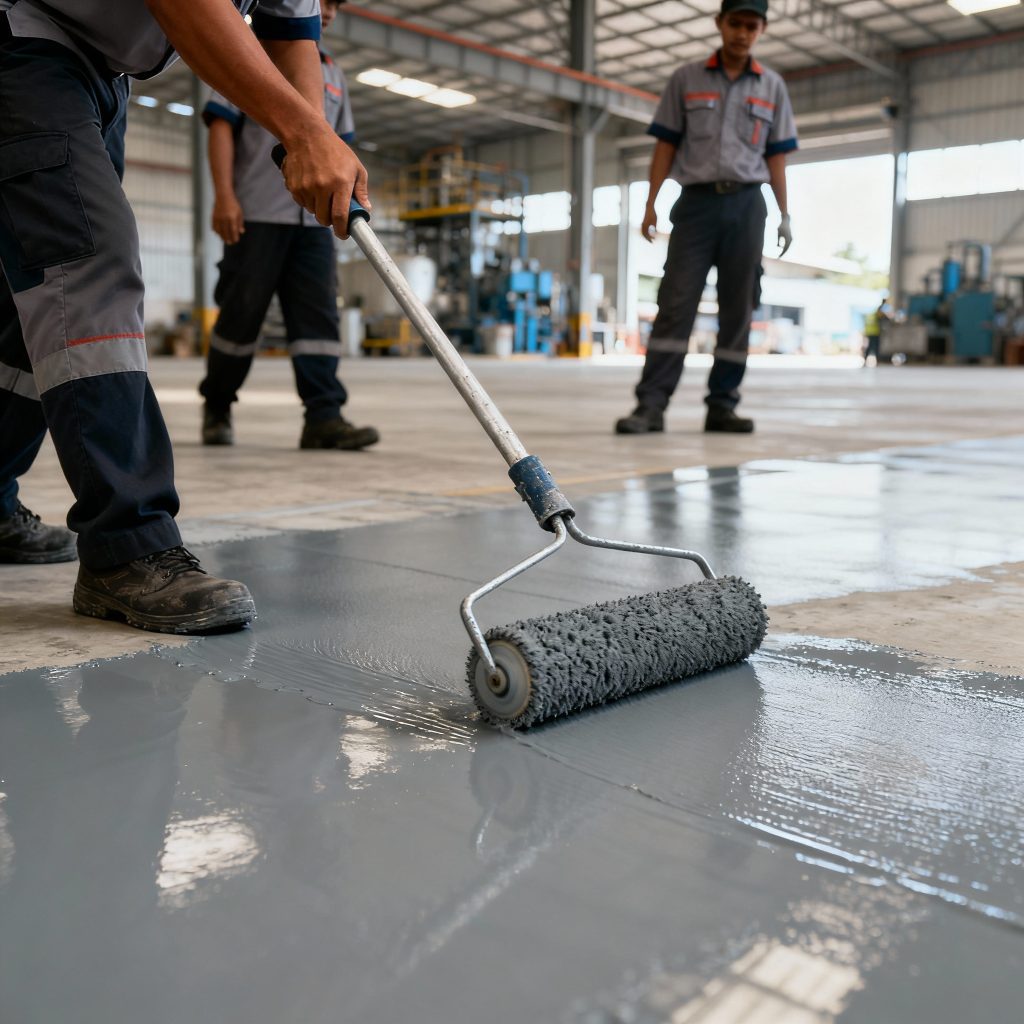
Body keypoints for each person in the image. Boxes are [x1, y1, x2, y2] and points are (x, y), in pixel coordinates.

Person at [0, 0, 370, 632]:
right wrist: (305, 133)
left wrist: (305, 128)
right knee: (88, 264)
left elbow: (289, 31)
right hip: (23, 36)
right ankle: (127, 543)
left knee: (32, 299)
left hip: (100, 73)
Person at [199, 0, 378, 451]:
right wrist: (225, 196)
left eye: (337, 3)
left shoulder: (333, 75)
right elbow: (220, 128)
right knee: (241, 315)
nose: (330, 9)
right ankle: (217, 406)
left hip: (315, 221)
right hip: (258, 212)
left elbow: (342, 148)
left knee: (319, 320)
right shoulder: (252, 52)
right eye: (323, 0)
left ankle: (324, 416)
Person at [615, 0, 797, 436]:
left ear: (762, 30)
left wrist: (784, 214)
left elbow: (776, 157)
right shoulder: (686, 79)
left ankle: (722, 406)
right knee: (675, 304)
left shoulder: (771, 87)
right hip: (695, 205)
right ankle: (651, 405)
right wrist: (651, 203)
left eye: (751, 26)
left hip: (747, 206)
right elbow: (665, 146)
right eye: (735, 23)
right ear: (720, 24)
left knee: (739, 307)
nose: (742, 33)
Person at [862, 299, 887, 366]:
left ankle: (865, 361)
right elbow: (883, 316)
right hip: (875, 333)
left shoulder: (870, 315)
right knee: (875, 348)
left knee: (869, 347)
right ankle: (877, 361)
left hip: (869, 333)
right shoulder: (877, 314)